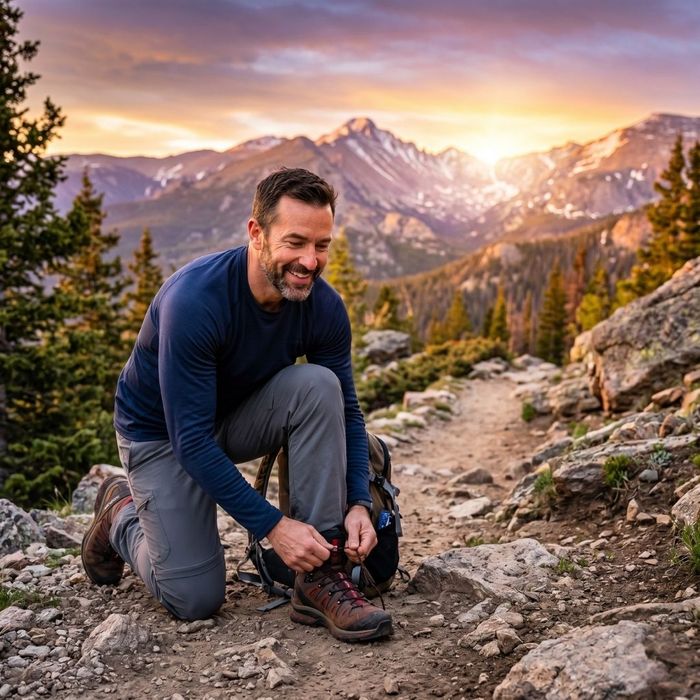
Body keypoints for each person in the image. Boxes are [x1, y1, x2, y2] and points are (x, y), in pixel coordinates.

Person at [80, 167, 393, 642]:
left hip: (238, 414)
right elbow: (189, 440)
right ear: (256, 234)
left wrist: (356, 502)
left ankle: (318, 577)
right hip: (164, 434)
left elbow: (347, 411)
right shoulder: (195, 301)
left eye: (322, 245)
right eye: (295, 242)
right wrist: (274, 527)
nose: (310, 261)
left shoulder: (323, 307)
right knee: (194, 598)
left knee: (320, 385)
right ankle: (121, 509)